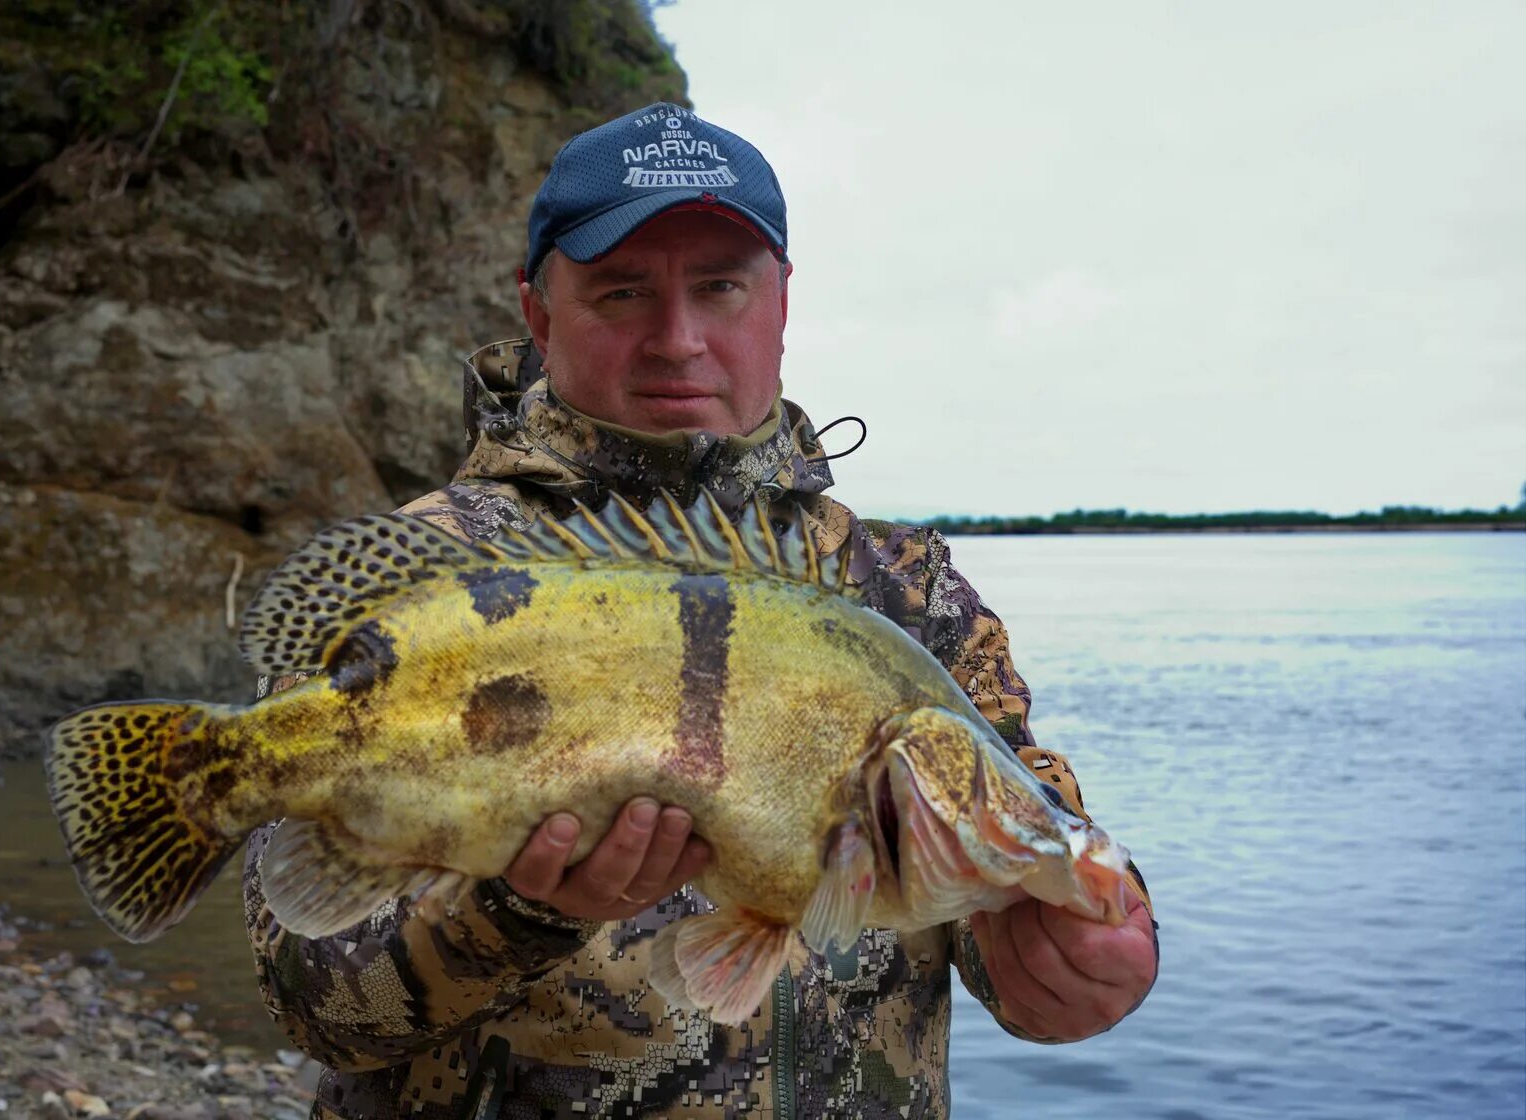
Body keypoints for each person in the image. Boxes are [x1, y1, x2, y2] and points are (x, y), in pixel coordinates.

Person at [244, 102, 1157, 1119]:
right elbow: (309, 1003)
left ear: (781, 299)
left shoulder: (906, 591)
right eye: (623, 291)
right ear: (537, 312)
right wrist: (515, 906)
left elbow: (1015, 834)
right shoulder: (433, 580)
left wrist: (1080, 957)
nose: (677, 341)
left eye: (719, 287)